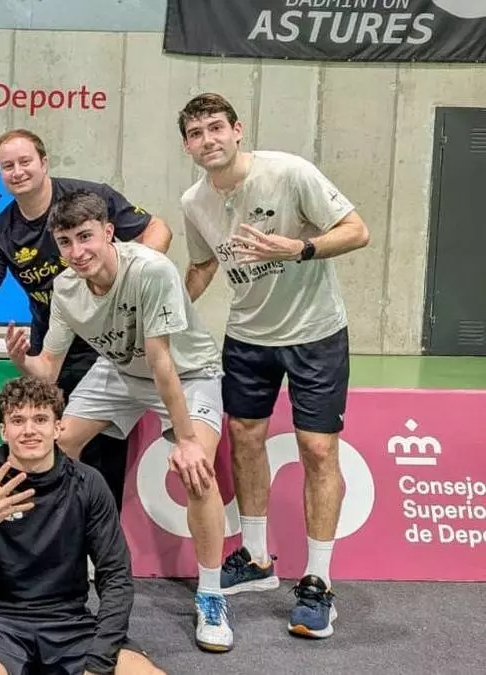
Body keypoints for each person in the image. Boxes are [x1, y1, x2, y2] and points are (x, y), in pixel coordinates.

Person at [3, 190, 233, 652]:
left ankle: (211, 594)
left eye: (85, 237)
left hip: (187, 371)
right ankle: (58, 565)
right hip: (120, 369)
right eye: (65, 242)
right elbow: (48, 369)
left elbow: (161, 360)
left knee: (197, 472)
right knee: (56, 445)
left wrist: (187, 439)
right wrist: (22, 360)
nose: (77, 251)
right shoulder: (66, 288)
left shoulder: (151, 269)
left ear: (109, 233)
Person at [177, 92, 370, 639]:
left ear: (237, 130)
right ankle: (257, 559)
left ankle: (318, 582)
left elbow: (357, 230)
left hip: (315, 332)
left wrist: (300, 249)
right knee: (244, 437)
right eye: (196, 133)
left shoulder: (288, 172)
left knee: (317, 448)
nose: (208, 140)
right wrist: (166, 318)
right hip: (247, 336)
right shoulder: (194, 201)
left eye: (216, 127)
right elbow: (201, 265)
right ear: (188, 146)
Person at [0, 128, 173, 513]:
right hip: (55, 351)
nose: (18, 171)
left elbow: (160, 231)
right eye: (7, 166)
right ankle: (54, 532)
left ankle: (100, 538)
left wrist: (123, 278)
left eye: (25, 161)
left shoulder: (90, 198)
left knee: (103, 458)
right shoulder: (2, 231)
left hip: (111, 345)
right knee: (50, 449)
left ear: (44, 162)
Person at [0, 376, 164, 675]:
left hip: (69, 623)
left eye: (40, 419)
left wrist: (99, 661)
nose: (29, 430)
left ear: (58, 427)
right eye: (18, 420)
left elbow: (115, 576)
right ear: (3, 431)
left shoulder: (88, 483)